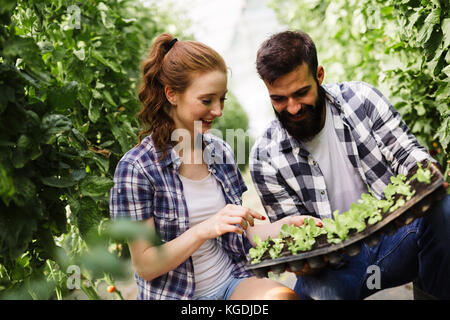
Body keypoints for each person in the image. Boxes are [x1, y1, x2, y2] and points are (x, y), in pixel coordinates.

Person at [108, 33, 312, 300]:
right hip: (177, 296)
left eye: (222, 99)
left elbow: (247, 230)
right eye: (207, 100)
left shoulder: (219, 151)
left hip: (231, 282)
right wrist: (204, 229)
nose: (217, 111)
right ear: (171, 94)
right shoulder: (137, 169)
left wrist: (286, 227)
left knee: (283, 298)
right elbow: (146, 266)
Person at [250, 30, 450, 299]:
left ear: (319, 76)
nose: (293, 107)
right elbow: (292, 234)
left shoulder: (362, 101)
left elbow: (406, 155)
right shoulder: (265, 157)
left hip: (395, 236)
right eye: (279, 99)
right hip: (336, 266)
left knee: (444, 210)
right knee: (318, 294)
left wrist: (425, 173)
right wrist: (303, 259)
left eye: (301, 93)